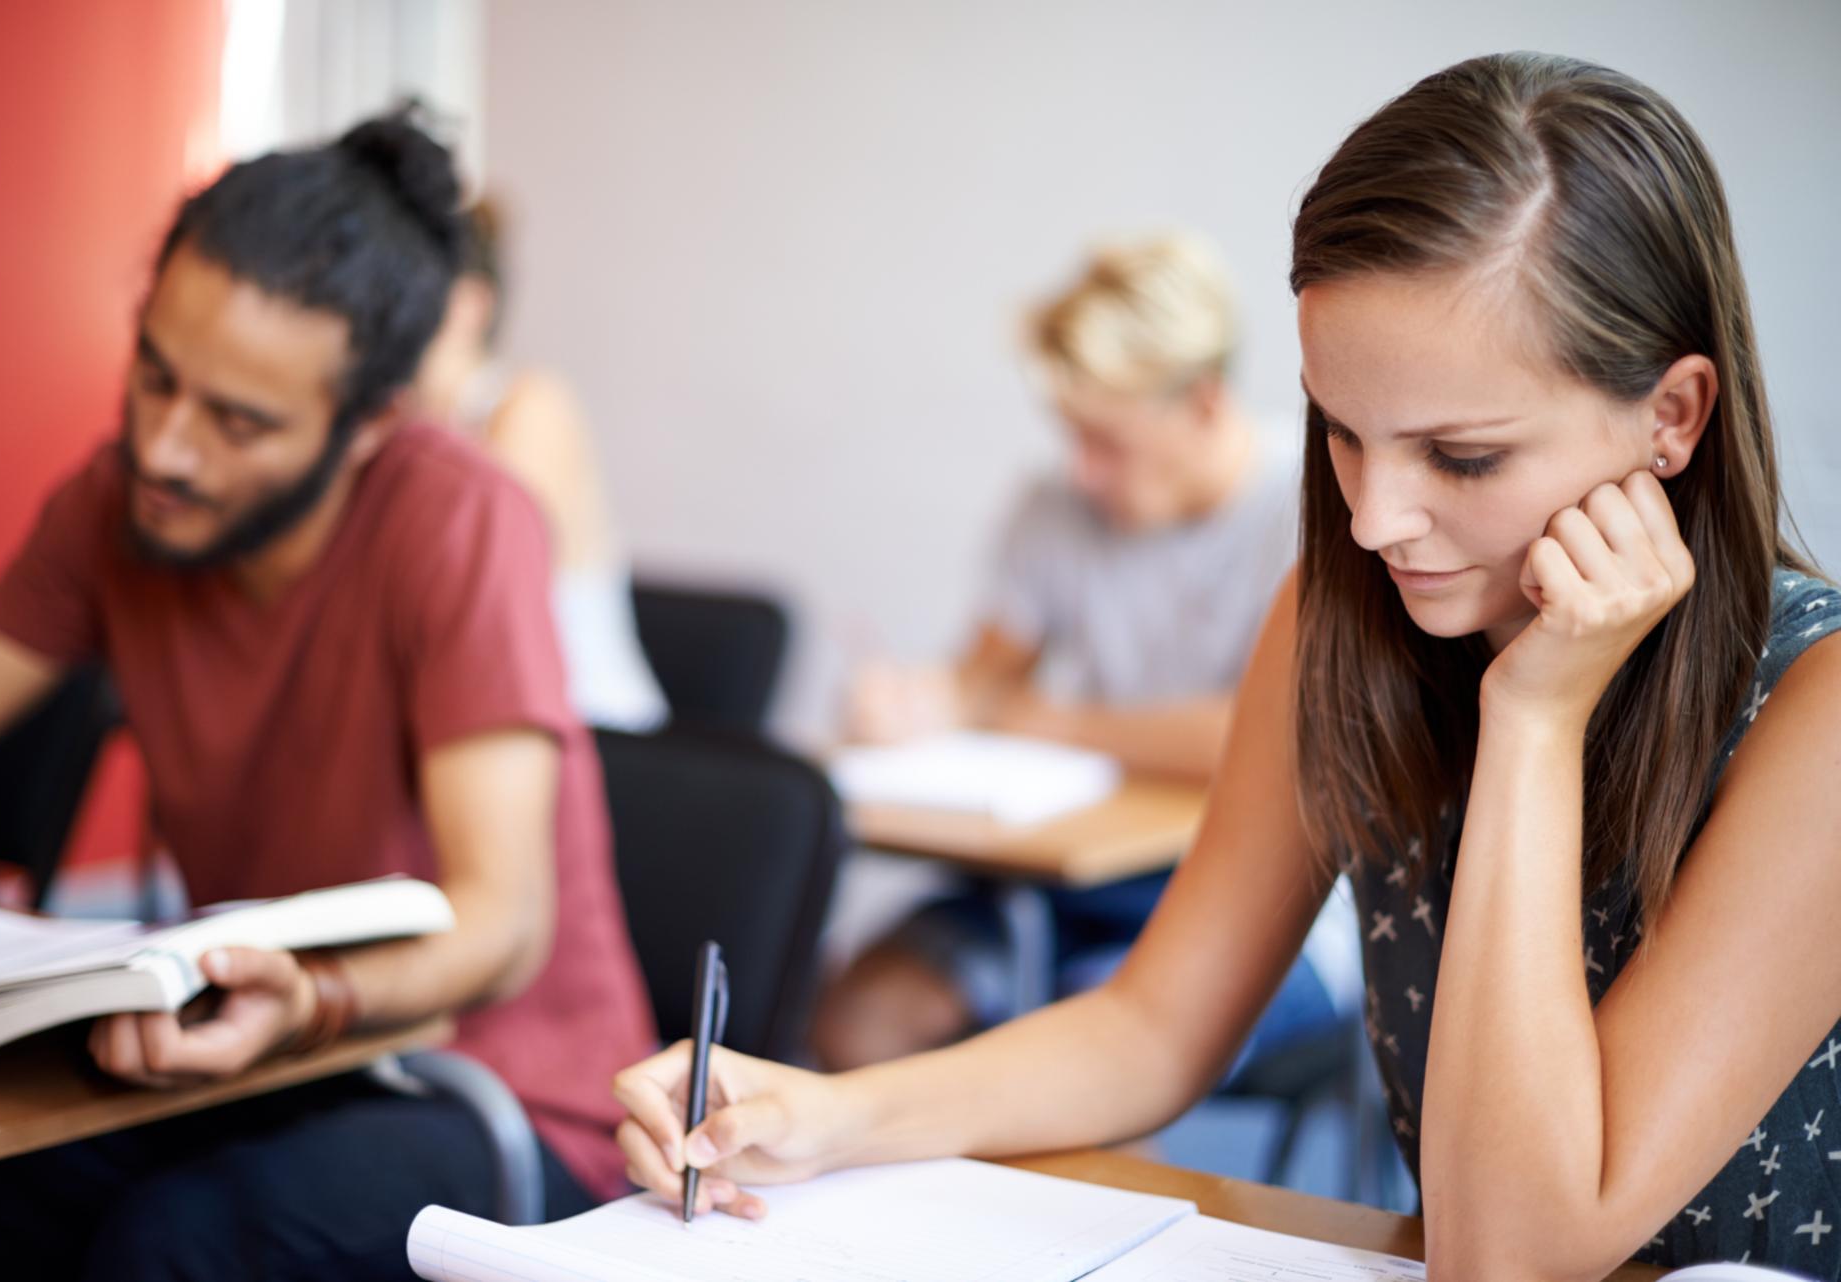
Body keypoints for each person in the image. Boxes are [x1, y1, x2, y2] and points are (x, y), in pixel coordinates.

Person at [612, 53, 1841, 1281]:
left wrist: (1530, 720)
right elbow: (1152, 1030)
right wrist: (821, 1115)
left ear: (1674, 415)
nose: (1372, 522)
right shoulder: (1339, 618)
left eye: (1462, 458)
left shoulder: (1817, 706)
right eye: (1342, 434)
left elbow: (1508, 1255)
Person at [0, 108, 655, 1280]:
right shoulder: (115, 507)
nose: (165, 449)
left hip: (501, 1097)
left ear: (368, 425)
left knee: (177, 1247)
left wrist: (314, 996)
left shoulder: (458, 519)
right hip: (270, 1061)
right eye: (155, 376)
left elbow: (502, 925)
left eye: (238, 422)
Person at [815, 233, 1355, 1076]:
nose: (1083, 470)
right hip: (1065, 889)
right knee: (860, 1017)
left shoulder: (1313, 506)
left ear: (1206, 404)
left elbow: (1263, 747)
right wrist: (916, 704)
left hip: (1281, 907)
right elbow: (980, 682)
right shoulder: (1056, 507)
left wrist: (1048, 724)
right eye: (1071, 436)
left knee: (1089, 1048)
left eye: (1109, 442)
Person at [409, 198, 666, 731]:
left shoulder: (532, 404)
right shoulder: (402, 424)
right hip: (484, 719)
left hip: (591, 727)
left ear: (471, 304)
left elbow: (482, 576)